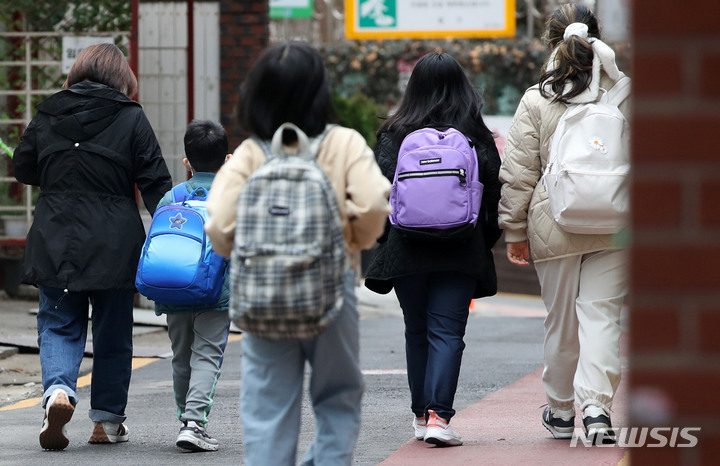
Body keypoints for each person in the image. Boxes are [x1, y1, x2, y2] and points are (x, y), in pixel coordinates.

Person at [204, 42, 390, 465]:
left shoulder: (252, 152)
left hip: (264, 293)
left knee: (268, 407)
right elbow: (375, 205)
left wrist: (251, 249)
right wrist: (346, 241)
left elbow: (217, 224)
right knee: (337, 395)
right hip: (331, 288)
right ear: (320, 91)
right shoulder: (344, 143)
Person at [12, 43, 172, 450]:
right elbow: (155, 180)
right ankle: (106, 422)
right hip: (114, 241)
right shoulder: (130, 117)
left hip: (55, 235)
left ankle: (58, 394)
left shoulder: (48, 110)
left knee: (59, 321)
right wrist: (172, 231)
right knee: (113, 331)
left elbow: (24, 167)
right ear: (123, 77)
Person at [498, 3, 629, 443]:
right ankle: (596, 408)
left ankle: (559, 411)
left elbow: (519, 173)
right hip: (615, 223)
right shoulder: (624, 93)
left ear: (551, 43)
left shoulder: (538, 98)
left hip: (553, 221)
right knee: (602, 316)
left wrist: (513, 230)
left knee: (561, 321)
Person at [364, 52, 502, 447]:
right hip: (460, 248)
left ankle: (421, 416)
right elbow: (494, 190)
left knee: (416, 331)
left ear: (414, 87)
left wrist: (387, 237)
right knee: (447, 332)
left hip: (407, 248)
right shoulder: (475, 133)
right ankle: (440, 418)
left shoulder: (395, 131)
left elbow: (380, 190)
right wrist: (482, 238)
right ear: (461, 86)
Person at [153, 119, 231, 452]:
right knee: (207, 355)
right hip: (216, 293)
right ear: (228, 160)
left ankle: (186, 417)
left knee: (181, 356)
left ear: (187, 162)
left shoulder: (172, 196)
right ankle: (194, 423)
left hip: (174, 288)